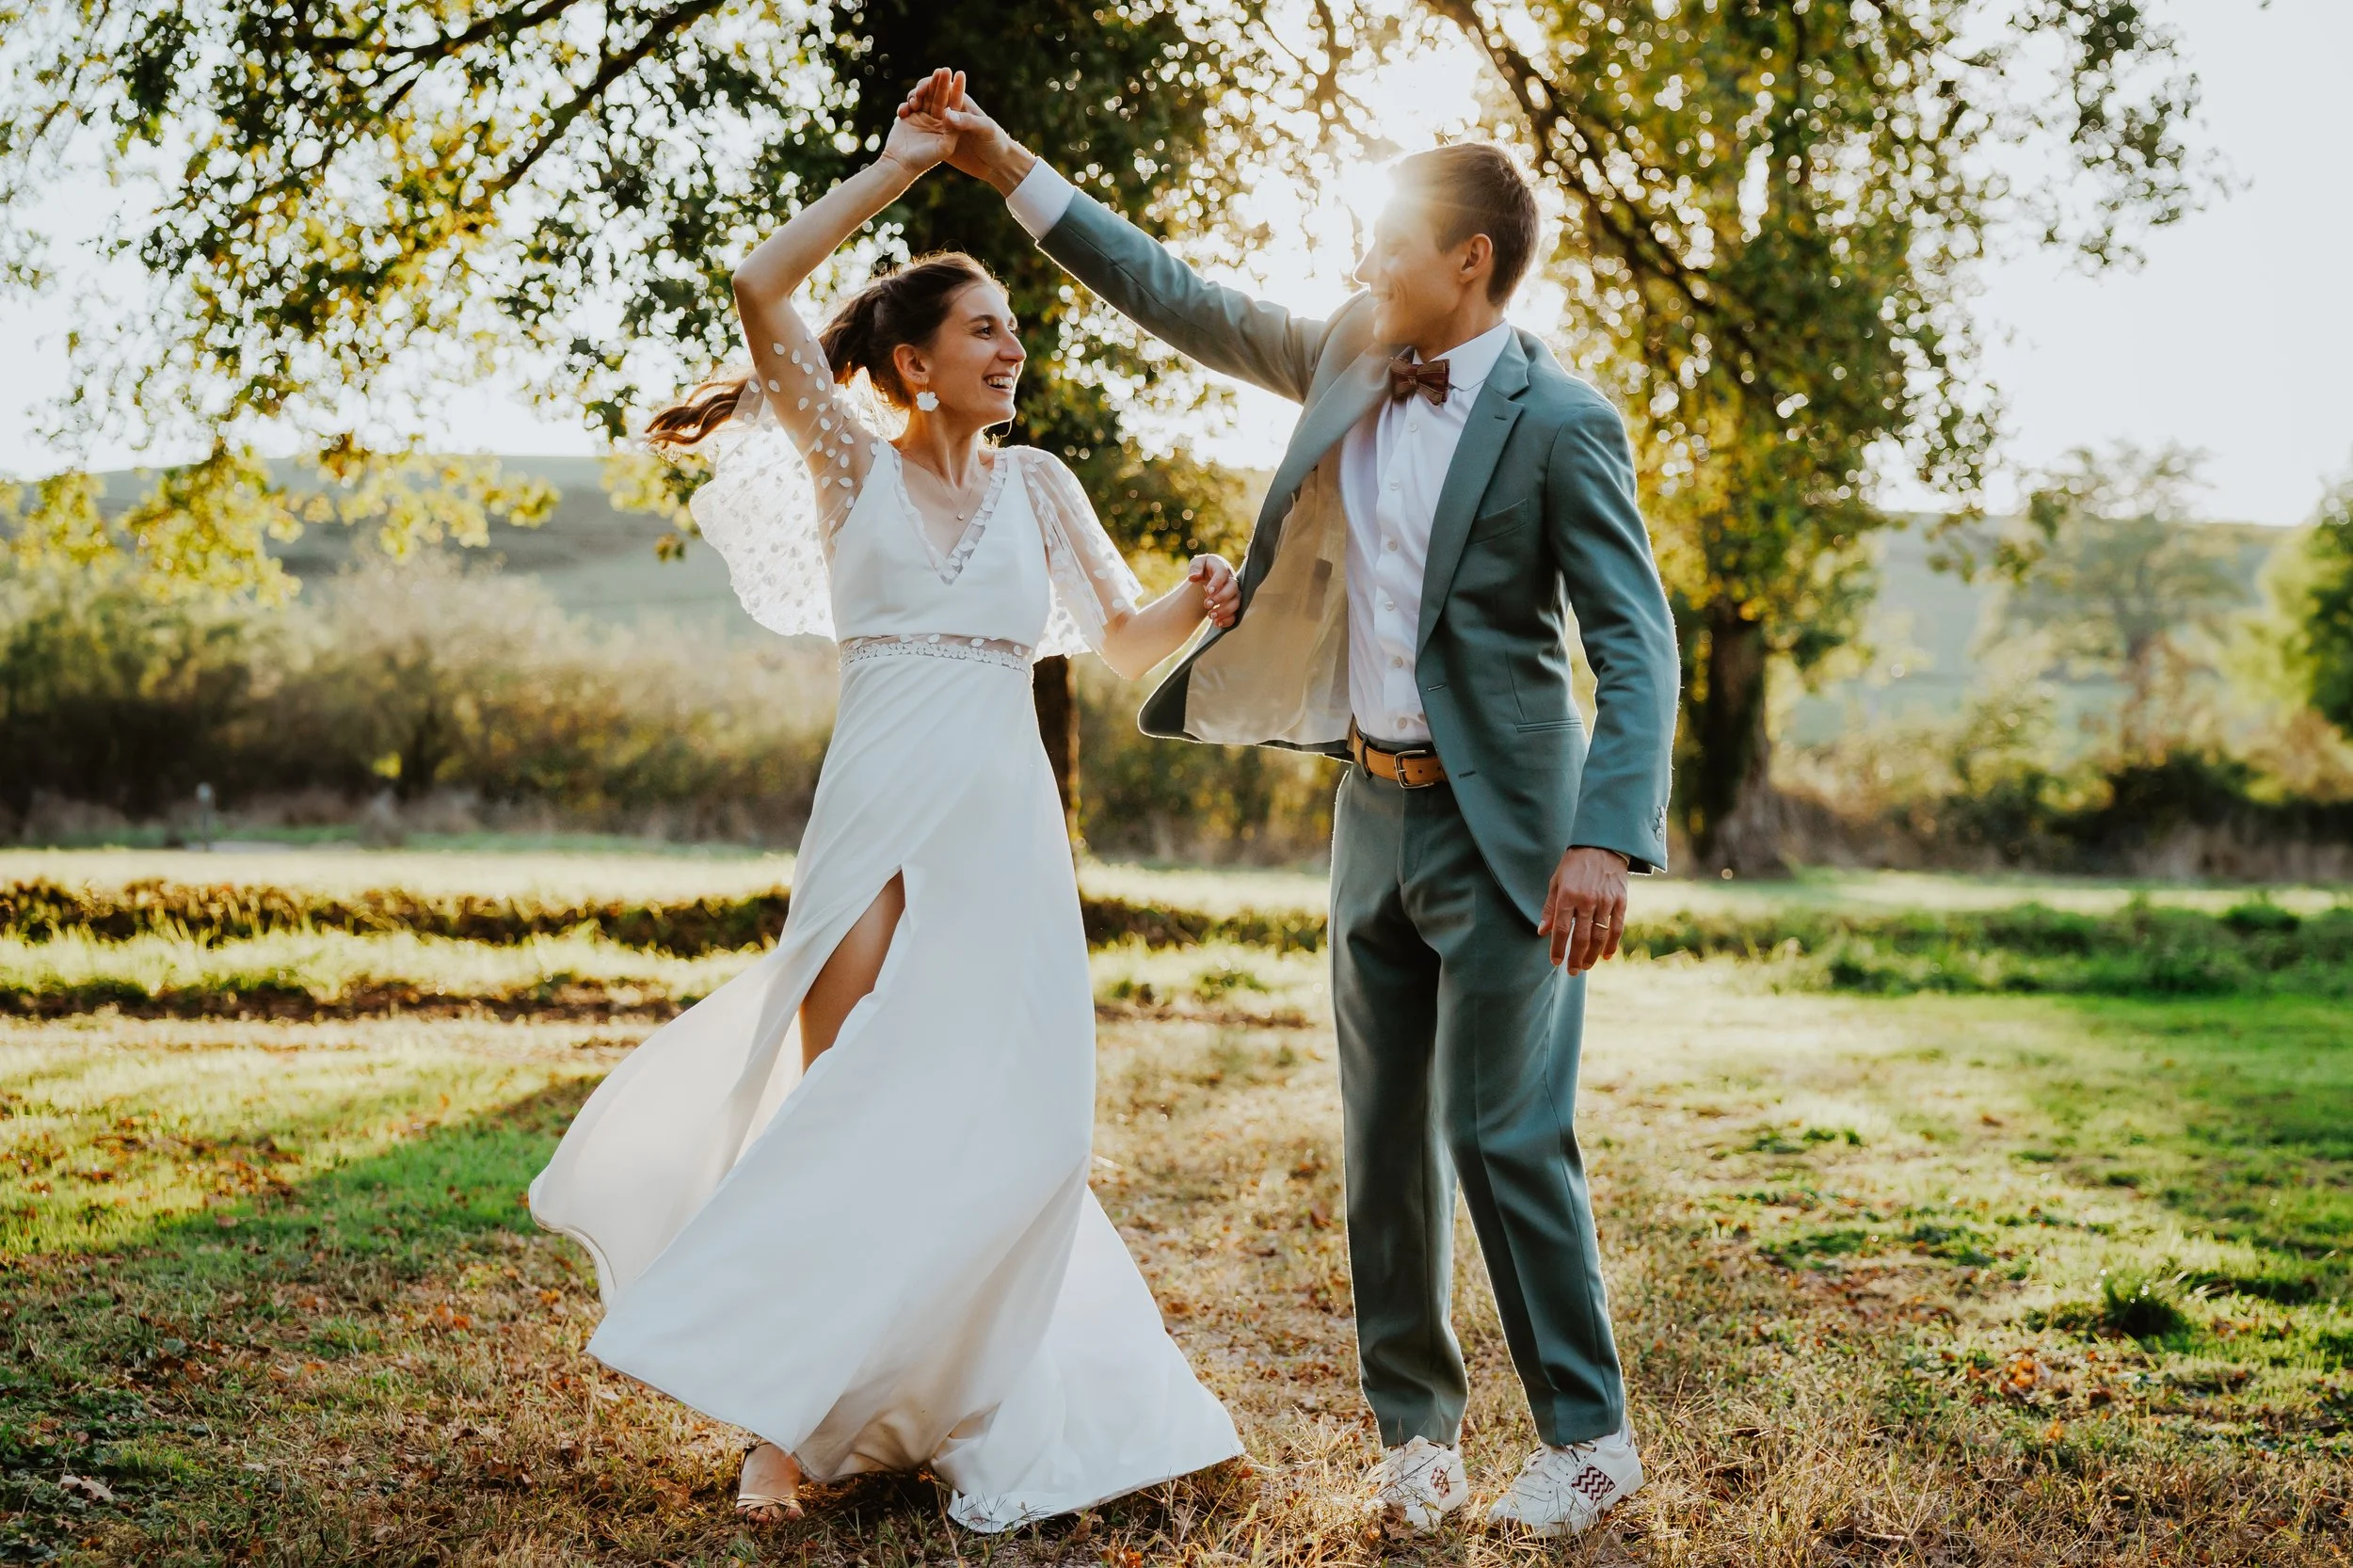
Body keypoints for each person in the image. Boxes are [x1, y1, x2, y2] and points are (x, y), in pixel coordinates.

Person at [906, 70, 1680, 1539]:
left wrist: (1603, 833)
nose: (1362, 267)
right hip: (1368, 815)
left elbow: (1636, 641)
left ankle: (1589, 1438)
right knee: (1383, 1137)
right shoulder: (1342, 349)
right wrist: (1008, 165)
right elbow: (1174, 294)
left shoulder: (1565, 420)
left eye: (1390, 244)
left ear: (1472, 261)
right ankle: (1419, 1435)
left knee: (1506, 1135)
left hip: (1513, 826)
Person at [526, 73, 1244, 1531]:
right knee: (843, 1104)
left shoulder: (1042, 486)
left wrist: (1199, 599)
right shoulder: (846, 464)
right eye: (987, 327)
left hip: (1002, 820)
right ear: (913, 363)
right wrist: (907, 164)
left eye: (1015, 328)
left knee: (1026, 1124)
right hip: (876, 810)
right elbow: (759, 281)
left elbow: (1115, 642)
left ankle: (948, 1382)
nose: (1015, 346)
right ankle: (782, 1429)